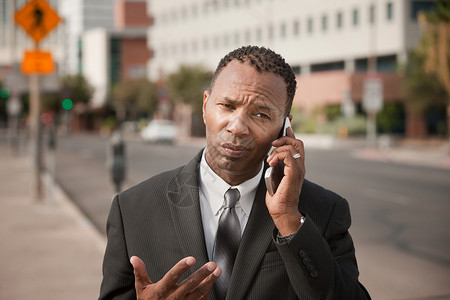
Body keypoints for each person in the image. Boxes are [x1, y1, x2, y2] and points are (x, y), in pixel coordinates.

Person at [99, 46, 371, 300]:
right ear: (205, 106)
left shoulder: (323, 211)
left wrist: (289, 219)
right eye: (227, 106)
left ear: (285, 128)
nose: (237, 127)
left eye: (261, 115)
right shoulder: (132, 210)